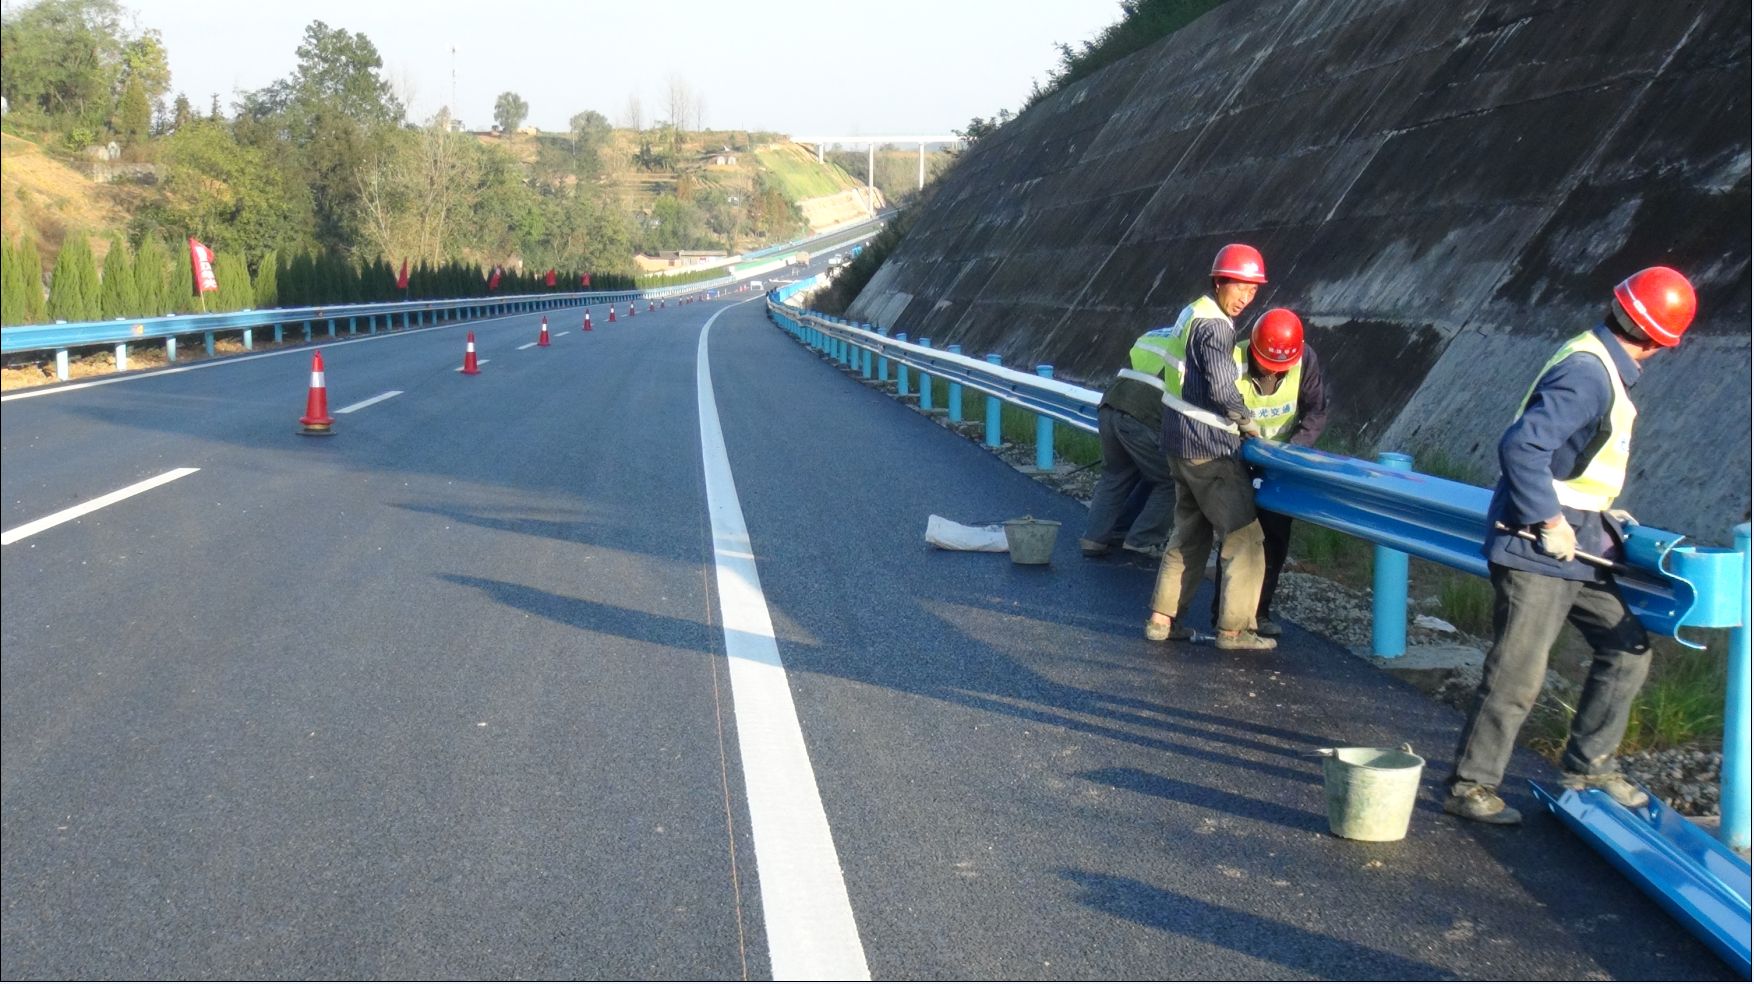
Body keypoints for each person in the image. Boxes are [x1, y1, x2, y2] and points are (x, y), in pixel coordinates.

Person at [1445, 266, 1697, 825]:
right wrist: (1549, 518)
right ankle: (1470, 787)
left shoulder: (1599, 360)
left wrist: (1595, 511)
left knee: (1627, 646)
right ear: (1660, 340)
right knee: (1517, 674)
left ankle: (1590, 766)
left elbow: (1573, 459)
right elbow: (1522, 448)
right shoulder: (1590, 372)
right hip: (1537, 546)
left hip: (1581, 546)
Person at [1143, 244, 1276, 652]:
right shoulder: (1217, 327)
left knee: (1189, 533)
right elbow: (1220, 388)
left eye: (1253, 292)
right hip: (1208, 447)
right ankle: (1235, 630)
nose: (1245, 298)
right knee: (1245, 538)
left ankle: (1163, 620)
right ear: (1220, 281)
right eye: (1240, 288)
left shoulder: (1192, 312)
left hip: (1177, 442)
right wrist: (1247, 422)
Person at [1208, 308, 1329, 636]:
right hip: (1238, 456)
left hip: (1280, 462)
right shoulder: (1234, 359)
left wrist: (1292, 451)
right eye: (1265, 365)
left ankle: (1259, 613)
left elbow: (1315, 411)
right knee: (1238, 536)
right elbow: (1217, 408)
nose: (1272, 372)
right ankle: (1224, 611)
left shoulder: (1304, 359)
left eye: (1280, 368)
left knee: (1274, 540)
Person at [1079, 312, 1188, 561]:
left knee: (1115, 474)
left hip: (1110, 404)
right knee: (1170, 479)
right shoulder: (1193, 344)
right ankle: (1142, 540)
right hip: (1142, 416)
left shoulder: (1154, 334)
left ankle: (1094, 539)